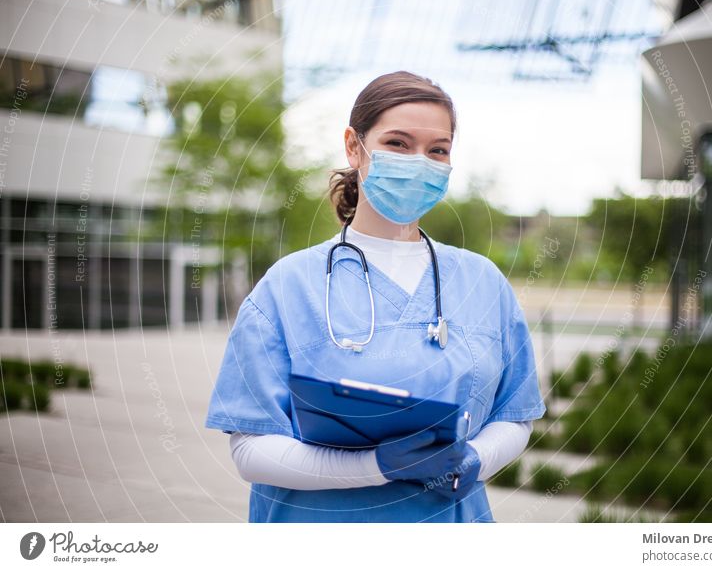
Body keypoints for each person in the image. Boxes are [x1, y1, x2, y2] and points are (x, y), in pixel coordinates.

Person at [204, 70, 546, 523]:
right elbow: (250, 448)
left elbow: (515, 414)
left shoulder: (482, 282)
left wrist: (476, 459)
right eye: (398, 144)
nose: (419, 162)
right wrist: (375, 467)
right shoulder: (289, 287)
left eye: (437, 150)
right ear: (354, 146)